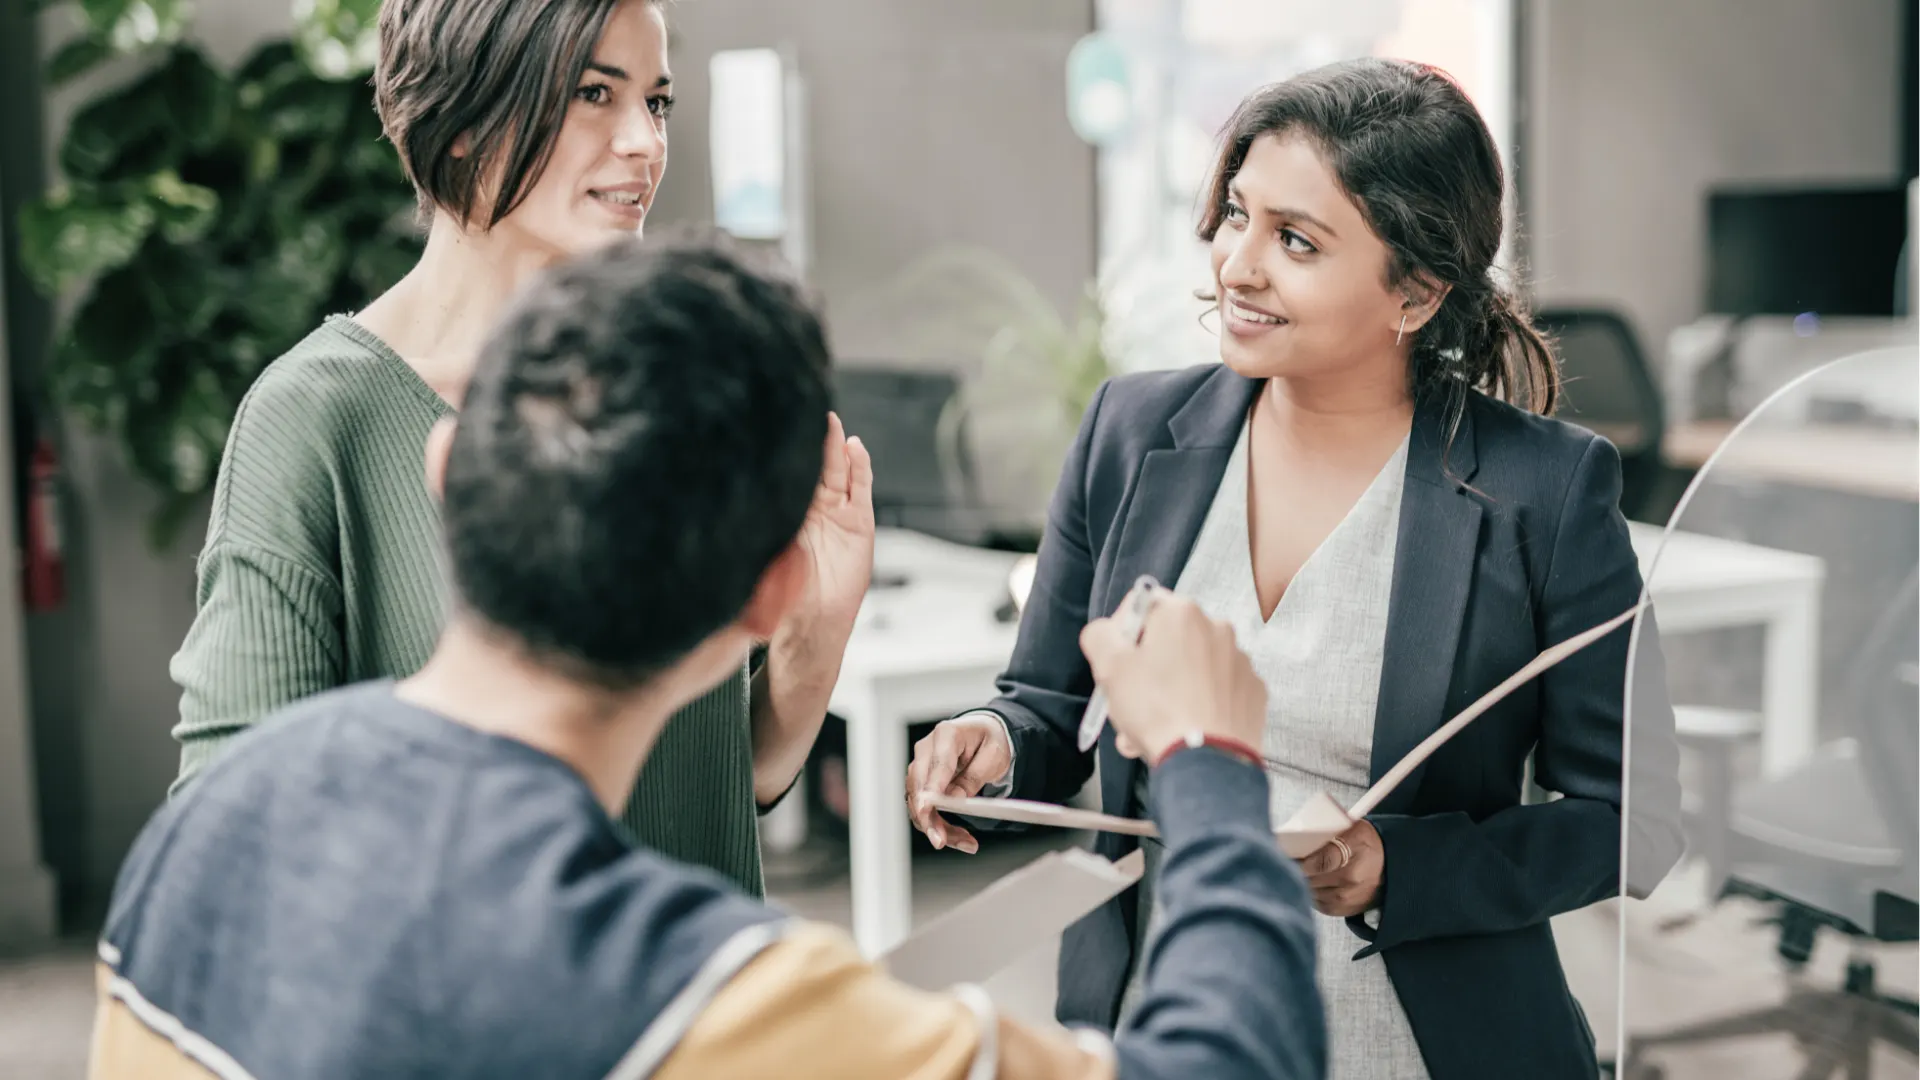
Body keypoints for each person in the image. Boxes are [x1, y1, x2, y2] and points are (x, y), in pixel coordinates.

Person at [89, 235, 1327, 1080]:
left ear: (447, 473)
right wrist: (1209, 759)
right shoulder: (722, 1000)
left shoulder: (204, 832)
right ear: (772, 587)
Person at [905, 57, 1683, 1079]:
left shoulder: (1545, 489)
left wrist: (1400, 867)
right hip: (1171, 1017)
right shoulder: (1132, 434)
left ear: (1415, 291)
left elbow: (1634, 821)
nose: (1237, 264)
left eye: (1295, 241)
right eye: (1237, 215)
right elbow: (1051, 704)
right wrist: (993, 739)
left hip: (1422, 1038)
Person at [165, 0, 873, 897]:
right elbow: (230, 829)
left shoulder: (664, 384)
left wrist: (814, 637)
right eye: (592, 93)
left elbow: (713, 788)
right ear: (464, 120)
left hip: (695, 1016)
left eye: (656, 102)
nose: (645, 144)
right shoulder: (315, 417)